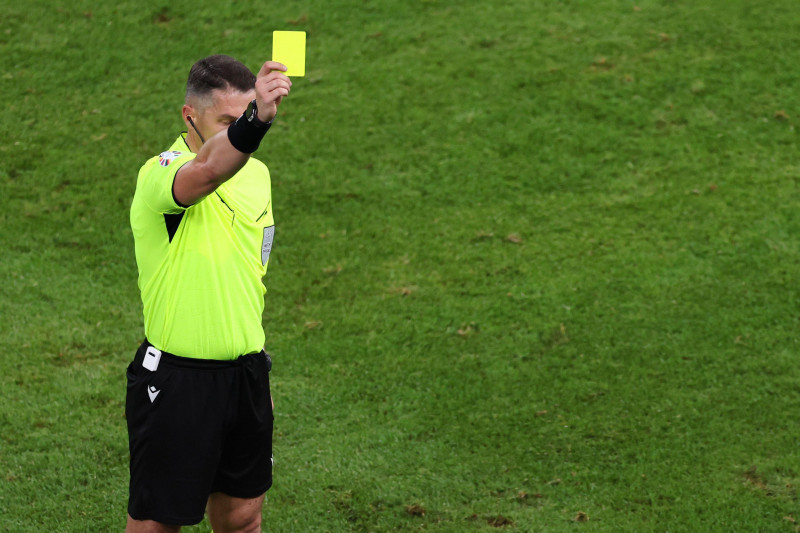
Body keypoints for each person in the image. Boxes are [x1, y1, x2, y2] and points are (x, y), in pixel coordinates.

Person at [126, 54, 293, 532]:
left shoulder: (257, 176)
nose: (239, 130)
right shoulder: (161, 172)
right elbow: (207, 173)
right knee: (159, 523)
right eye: (229, 121)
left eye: (246, 115)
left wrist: (254, 373)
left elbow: (248, 278)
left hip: (243, 376)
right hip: (177, 383)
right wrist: (257, 119)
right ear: (189, 116)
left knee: (243, 517)